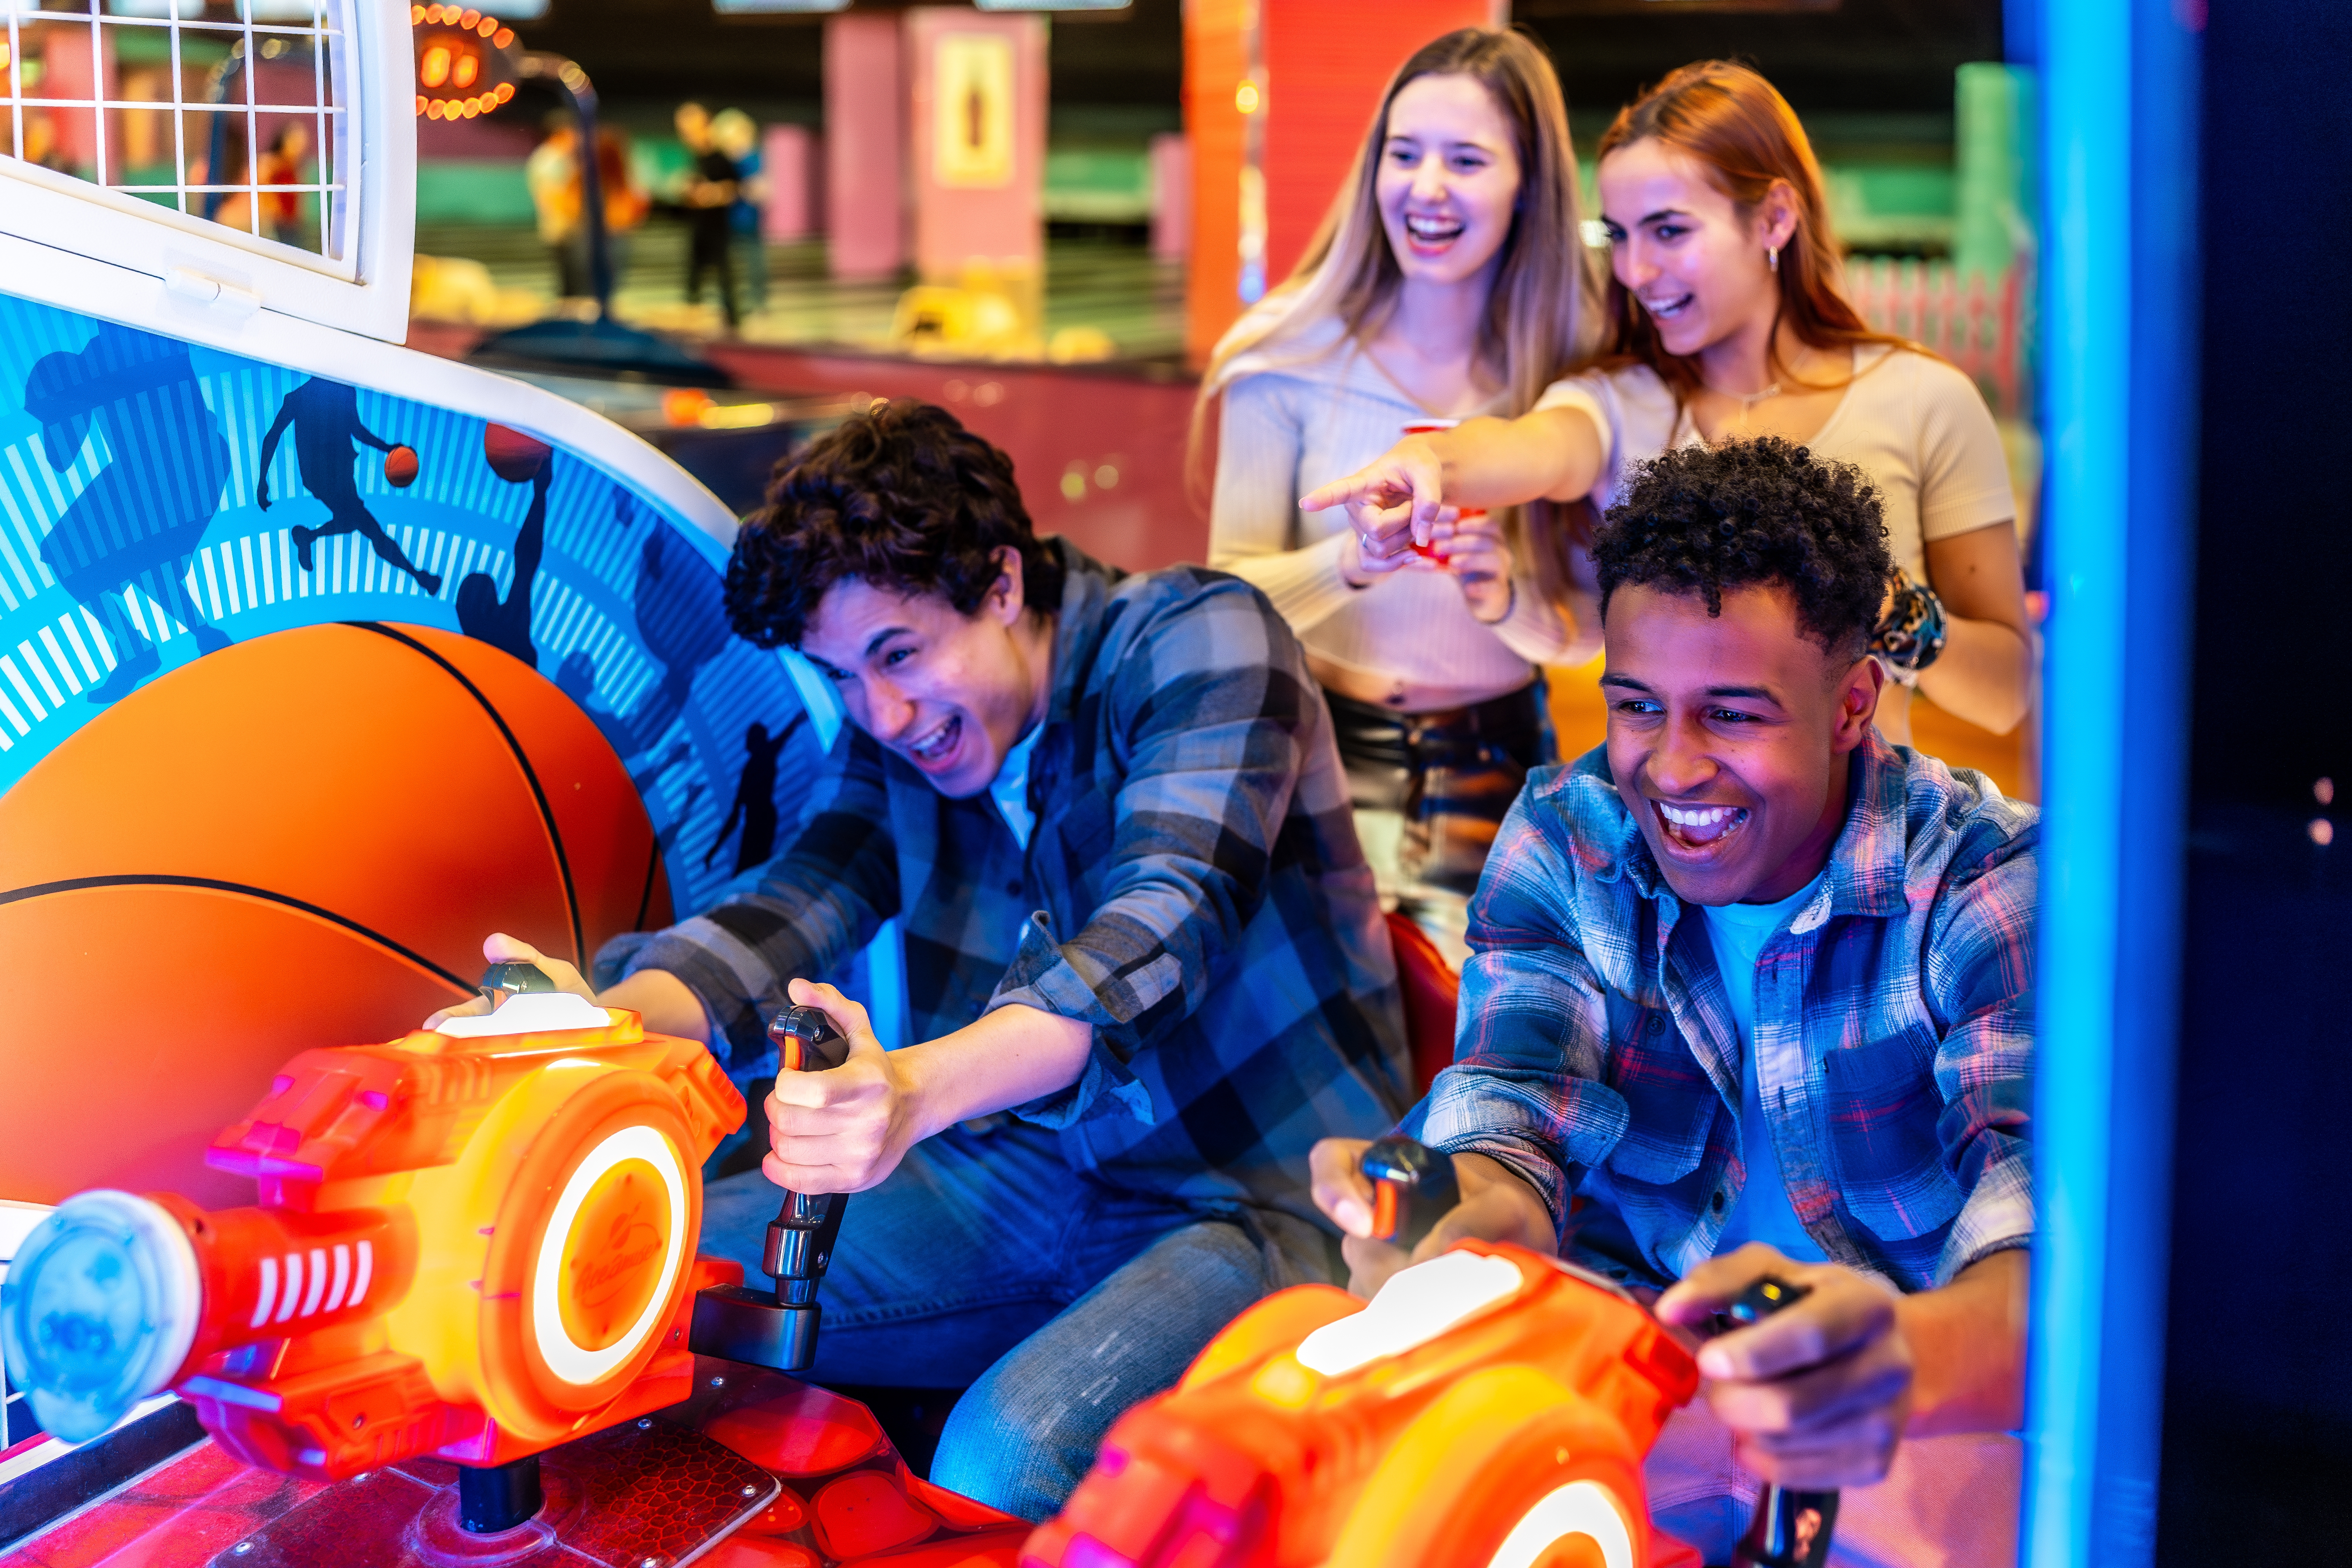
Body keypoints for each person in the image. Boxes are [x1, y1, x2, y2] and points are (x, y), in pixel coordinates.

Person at [427, 400, 1411, 1521]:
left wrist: (911, 1090)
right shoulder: (900, 730)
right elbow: (794, 903)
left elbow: (1159, 920)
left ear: (1000, 584)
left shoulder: (1196, 639)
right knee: (611, 1288)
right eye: (841, 676)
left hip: (1262, 1195)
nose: (882, 712)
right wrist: (601, 1024)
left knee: (1000, 1459)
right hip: (1026, 1166)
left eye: (898, 655)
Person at [1311, 438, 2035, 1567]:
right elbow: (1513, 1118)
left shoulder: (1985, 880)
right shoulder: (1566, 832)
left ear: (1853, 706)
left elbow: (2048, 1248)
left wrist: (1903, 1357)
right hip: (1644, 1380)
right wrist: (1444, 1226)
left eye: (1732, 716)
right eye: (1638, 706)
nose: (1671, 767)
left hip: (1919, 1422)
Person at [1303, 60, 2031, 749]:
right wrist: (1429, 460)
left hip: (1864, 864)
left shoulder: (1922, 399)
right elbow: (1528, 446)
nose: (1635, 270)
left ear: (1774, 219)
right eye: (1618, 235)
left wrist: (1883, 607)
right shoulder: (1619, 402)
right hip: (1664, 850)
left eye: (1669, 230)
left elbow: (2004, 695)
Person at [1201, 28, 1599, 968]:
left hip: (1500, 760)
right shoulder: (1286, 353)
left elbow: (1595, 628)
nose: (1426, 188)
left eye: (1466, 161)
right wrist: (1348, 565)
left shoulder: (1575, 379)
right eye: (1404, 153)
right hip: (1318, 753)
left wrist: (1513, 602)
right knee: (1330, 1072)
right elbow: (1224, 600)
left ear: (1527, 187)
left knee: (1472, 1068)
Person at [676, 101, 741, 331]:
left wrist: (709, 194)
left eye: (689, 129)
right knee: (694, 281)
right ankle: (691, 323)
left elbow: (734, 190)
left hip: (717, 228)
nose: (685, 135)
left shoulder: (719, 157)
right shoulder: (696, 157)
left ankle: (733, 326)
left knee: (724, 280)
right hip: (699, 228)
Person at [712, 108, 768, 316]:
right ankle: (729, 300)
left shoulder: (752, 159)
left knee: (753, 262)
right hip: (728, 219)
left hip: (747, 219)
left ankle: (757, 301)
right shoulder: (728, 160)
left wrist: (736, 189)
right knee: (728, 264)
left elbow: (761, 190)